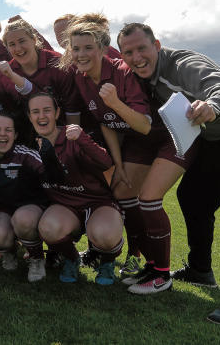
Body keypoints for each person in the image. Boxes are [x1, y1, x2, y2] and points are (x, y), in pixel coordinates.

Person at [117, 23, 220, 324]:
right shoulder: (140, 78)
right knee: (192, 197)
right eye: (128, 52)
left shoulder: (183, 64)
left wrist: (212, 105)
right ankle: (200, 270)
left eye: (142, 48)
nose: (136, 56)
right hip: (215, 140)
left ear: (156, 45)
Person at [67, 18, 194, 294]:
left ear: (103, 48)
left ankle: (162, 274)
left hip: (169, 135)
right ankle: (146, 263)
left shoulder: (123, 73)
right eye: (76, 49)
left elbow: (145, 124)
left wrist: (114, 102)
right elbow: (104, 121)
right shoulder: (81, 75)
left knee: (149, 199)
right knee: (123, 192)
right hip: (139, 143)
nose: (81, 55)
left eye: (88, 47)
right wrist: (119, 163)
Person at [29, 93, 124, 285]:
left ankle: (106, 261)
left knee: (104, 234)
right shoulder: (30, 144)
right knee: (47, 227)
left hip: (97, 202)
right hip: (65, 206)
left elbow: (106, 162)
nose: (41, 116)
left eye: (47, 110)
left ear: (57, 113)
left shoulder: (72, 135)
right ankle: (72, 258)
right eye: (35, 112)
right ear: (29, 116)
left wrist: (82, 138)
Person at [0, 113, 48, 282]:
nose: (2, 134)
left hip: (28, 207)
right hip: (2, 209)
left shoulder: (26, 155)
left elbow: (50, 174)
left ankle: (37, 258)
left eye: (8, 130)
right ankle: (9, 250)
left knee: (23, 220)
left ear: (16, 135)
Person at [0, 19, 81, 126]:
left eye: (22, 41)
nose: (18, 48)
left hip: (70, 127)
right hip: (35, 130)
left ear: (33, 39)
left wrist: (71, 140)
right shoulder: (8, 73)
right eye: (12, 44)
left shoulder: (57, 63)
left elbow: (73, 107)